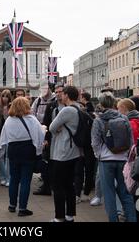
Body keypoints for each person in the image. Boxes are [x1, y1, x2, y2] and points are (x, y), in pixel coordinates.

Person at [91, 91, 137, 222]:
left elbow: (95, 142)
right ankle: (132, 219)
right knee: (125, 193)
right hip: (122, 159)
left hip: (105, 160)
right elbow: (130, 140)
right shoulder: (124, 118)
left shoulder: (99, 120)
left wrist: (99, 155)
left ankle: (113, 219)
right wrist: (127, 155)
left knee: (109, 194)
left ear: (101, 103)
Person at [0, 97, 45, 217]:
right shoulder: (31, 119)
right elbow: (40, 135)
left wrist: (1, 151)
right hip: (27, 150)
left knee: (14, 178)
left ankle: (12, 205)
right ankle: (23, 208)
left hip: (13, 150)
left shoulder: (9, 120)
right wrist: (39, 149)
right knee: (25, 180)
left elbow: (3, 137)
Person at [48, 86, 83, 222]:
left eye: (62, 94)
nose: (60, 96)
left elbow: (51, 127)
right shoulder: (79, 108)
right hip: (74, 152)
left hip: (62, 152)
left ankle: (59, 217)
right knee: (69, 184)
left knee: (58, 186)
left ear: (67, 95)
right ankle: (69, 215)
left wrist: (57, 127)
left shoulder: (67, 110)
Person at [35, 84, 65, 196]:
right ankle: (46, 186)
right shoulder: (51, 106)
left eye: (60, 92)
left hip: (64, 140)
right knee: (47, 163)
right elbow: (46, 123)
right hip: (52, 139)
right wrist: (46, 138)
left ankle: (58, 185)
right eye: (56, 92)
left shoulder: (68, 107)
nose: (58, 94)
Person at [0, 89, 13, 186]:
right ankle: (2, 176)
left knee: (8, 156)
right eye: (3, 96)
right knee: (0, 156)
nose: (5, 98)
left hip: (9, 134)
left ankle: (8, 178)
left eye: (7, 96)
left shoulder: (12, 107)